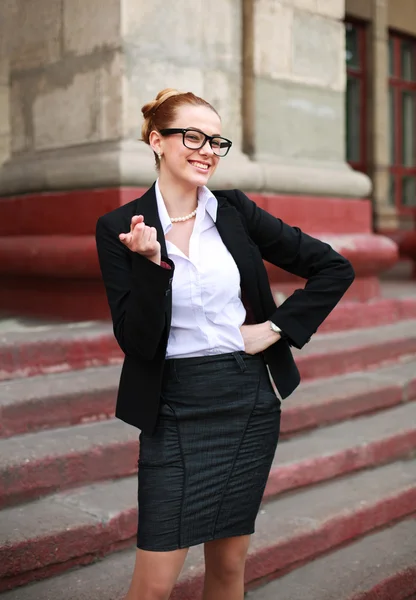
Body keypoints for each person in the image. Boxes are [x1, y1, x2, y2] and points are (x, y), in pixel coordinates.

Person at [95, 88, 355, 600]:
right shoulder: (121, 228)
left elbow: (334, 267)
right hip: (173, 406)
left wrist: (276, 328)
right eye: (192, 136)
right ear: (157, 141)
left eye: (216, 140)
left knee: (230, 567)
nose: (207, 149)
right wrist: (150, 267)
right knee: (152, 584)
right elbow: (138, 343)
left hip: (247, 402)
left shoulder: (235, 212)